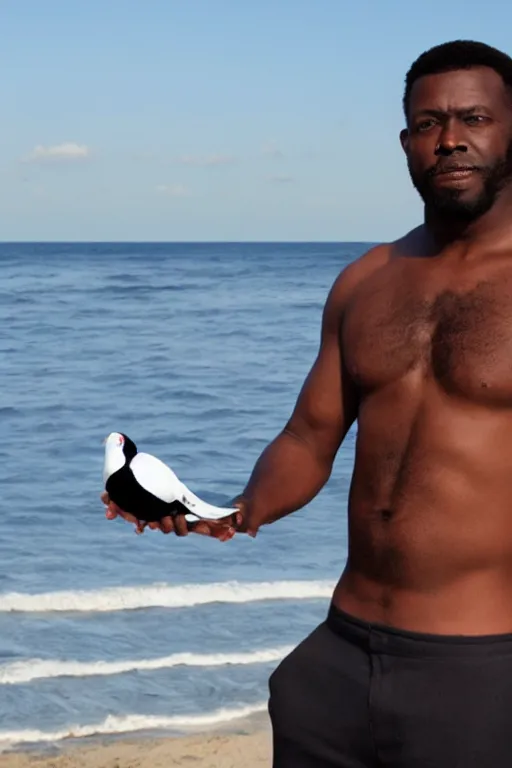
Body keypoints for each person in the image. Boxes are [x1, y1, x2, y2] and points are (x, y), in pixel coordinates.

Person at [102, 39, 512, 766]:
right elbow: (306, 439)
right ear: (406, 142)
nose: (449, 140)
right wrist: (232, 511)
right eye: (428, 124)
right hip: (337, 662)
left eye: (473, 118)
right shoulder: (368, 280)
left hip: (480, 671)